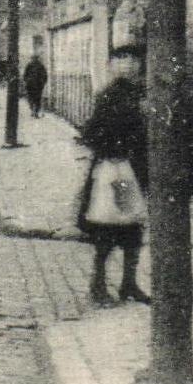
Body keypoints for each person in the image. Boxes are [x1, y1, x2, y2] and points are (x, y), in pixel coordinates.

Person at [76, 56, 149, 306]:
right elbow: (91, 132)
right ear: (114, 67)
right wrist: (115, 151)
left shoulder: (141, 94)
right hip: (117, 170)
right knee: (110, 226)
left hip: (130, 171)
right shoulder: (111, 96)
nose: (129, 65)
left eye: (133, 61)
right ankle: (98, 286)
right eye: (123, 60)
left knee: (131, 228)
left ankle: (128, 283)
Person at [23, 53, 49, 118]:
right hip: (37, 86)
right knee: (36, 99)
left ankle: (33, 111)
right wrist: (43, 83)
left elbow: (25, 75)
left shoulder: (30, 65)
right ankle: (35, 112)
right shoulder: (40, 65)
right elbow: (45, 76)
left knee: (32, 99)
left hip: (32, 85)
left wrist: (26, 81)